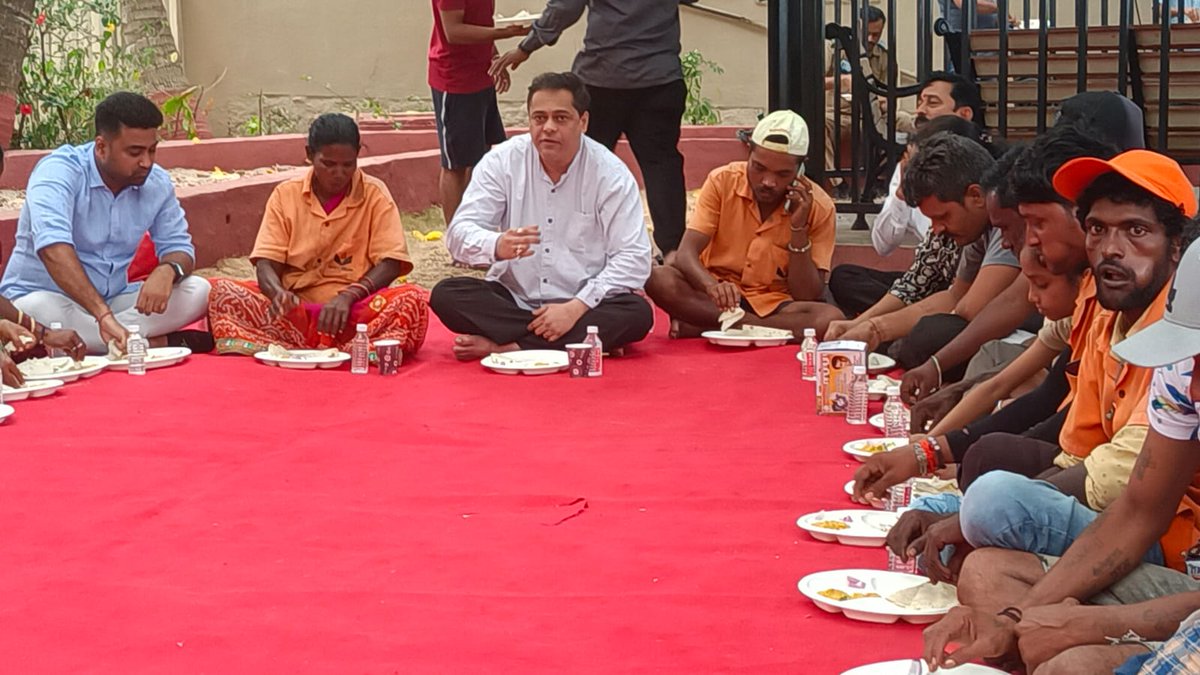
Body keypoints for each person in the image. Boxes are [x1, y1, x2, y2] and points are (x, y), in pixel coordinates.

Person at [921, 213, 1200, 673]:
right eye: (1097, 227)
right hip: (1182, 583)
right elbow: (1136, 513)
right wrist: (1017, 619)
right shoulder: (1179, 365)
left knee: (1066, 663)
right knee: (989, 578)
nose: (1110, 248)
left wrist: (1084, 627)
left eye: (1134, 230)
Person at [430, 72, 653, 360]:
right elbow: (459, 234)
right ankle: (578, 341)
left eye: (560, 118)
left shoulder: (611, 174)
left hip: (585, 303)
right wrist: (496, 244)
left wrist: (575, 309)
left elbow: (633, 258)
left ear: (582, 122)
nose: (547, 128)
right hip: (514, 299)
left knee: (637, 315)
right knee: (447, 294)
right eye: (539, 118)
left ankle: (509, 347)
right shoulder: (503, 161)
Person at [0, 92, 211, 355]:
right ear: (101, 147)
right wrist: (102, 315)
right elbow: (53, 249)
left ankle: (102, 343)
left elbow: (180, 247)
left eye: (152, 150)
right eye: (135, 152)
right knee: (40, 308)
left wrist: (168, 270)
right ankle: (151, 343)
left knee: (198, 290)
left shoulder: (156, 182)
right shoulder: (58, 171)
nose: (146, 162)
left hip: (115, 300)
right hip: (47, 299)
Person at [207, 114, 428, 357]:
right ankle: (321, 345)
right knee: (221, 292)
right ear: (309, 155)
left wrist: (348, 297)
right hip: (295, 312)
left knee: (412, 300)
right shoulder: (285, 194)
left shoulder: (375, 194)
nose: (339, 174)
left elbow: (391, 263)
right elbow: (266, 262)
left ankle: (317, 347)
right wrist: (279, 295)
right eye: (329, 164)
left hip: (354, 313)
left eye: (348, 165)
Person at [490, 1, 687, 258]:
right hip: (659, 76)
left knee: (580, 164)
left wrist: (527, 46)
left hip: (603, 77)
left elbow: (565, 7)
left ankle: (571, 245)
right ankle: (672, 252)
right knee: (661, 165)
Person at [644, 111, 842, 340]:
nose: (768, 182)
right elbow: (685, 254)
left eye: (782, 174)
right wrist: (712, 287)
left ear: (800, 169)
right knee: (658, 278)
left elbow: (806, 294)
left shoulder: (820, 206)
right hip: (714, 297)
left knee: (827, 318)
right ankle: (753, 329)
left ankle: (718, 326)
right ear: (749, 152)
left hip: (774, 303)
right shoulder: (722, 180)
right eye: (759, 168)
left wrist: (798, 227)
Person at [824, 133, 1018, 366]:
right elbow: (955, 295)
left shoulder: (1008, 220)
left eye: (943, 217)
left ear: (976, 195)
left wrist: (882, 329)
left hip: (1026, 332)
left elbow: (969, 308)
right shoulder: (976, 227)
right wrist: (869, 326)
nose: (935, 230)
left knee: (931, 334)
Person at [828, 73, 984, 316]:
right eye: (919, 102)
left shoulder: (982, 201)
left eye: (932, 103)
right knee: (845, 277)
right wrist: (867, 326)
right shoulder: (913, 165)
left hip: (963, 298)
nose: (920, 111)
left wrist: (879, 327)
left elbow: (965, 300)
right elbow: (902, 266)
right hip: (935, 290)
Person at [428, 0, 529, 224]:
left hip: (480, 75)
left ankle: (474, 224)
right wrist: (504, 33)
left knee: (481, 157)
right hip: (455, 79)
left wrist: (494, 57)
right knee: (455, 164)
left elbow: (479, 22)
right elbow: (453, 31)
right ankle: (456, 236)